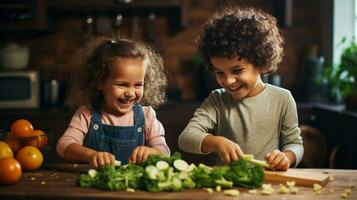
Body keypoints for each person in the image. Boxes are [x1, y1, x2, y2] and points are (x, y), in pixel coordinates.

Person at [178, 7, 303, 170]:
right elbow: (186, 138)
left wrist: (287, 157)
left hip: (268, 184)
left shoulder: (282, 99)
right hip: (225, 185)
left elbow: (295, 144)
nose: (228, 81)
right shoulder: (217, 100)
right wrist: (215, 142)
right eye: (219, 72)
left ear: (261, 64)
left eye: (237, 70)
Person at [57, 37, 170, 168]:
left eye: (138, 85)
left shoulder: (147, 116)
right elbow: (63, 145)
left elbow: (165, 151)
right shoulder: (87, 114)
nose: (131, 93)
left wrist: (152, 152)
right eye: (122, 85)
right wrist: (91, 155)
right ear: (99, 82)